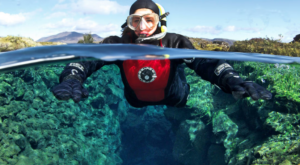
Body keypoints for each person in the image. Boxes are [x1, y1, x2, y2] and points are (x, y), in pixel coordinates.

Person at [52, 0, 272, 108]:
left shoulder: (175, 42)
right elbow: (87, 61)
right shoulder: (118, 43)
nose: (142, 26)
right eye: (135, 20)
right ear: (128, 23)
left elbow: (205, 63)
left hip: (176, 97)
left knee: (180, 78)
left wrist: (230, 79)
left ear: (160, 22)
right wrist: (72, 77)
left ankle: (180, 74)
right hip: (135, 101)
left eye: (150, 19)